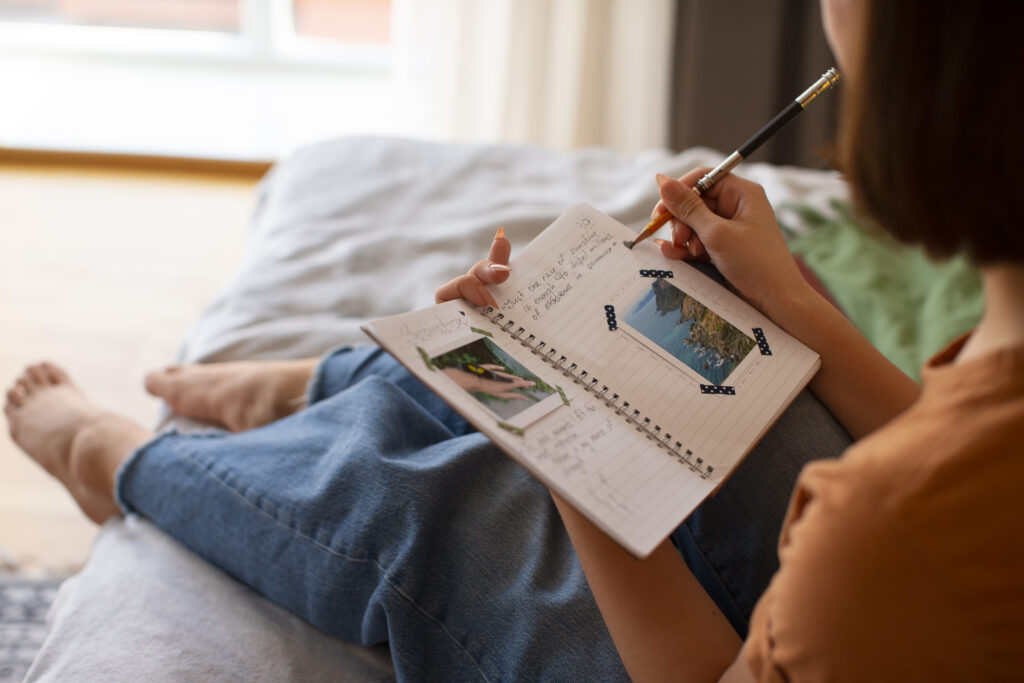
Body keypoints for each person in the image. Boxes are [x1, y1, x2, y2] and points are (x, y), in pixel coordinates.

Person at [5, 0, 1023, 679]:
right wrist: (792, 305)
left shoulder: (881, 536)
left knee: (455, 510)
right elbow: (944, 438)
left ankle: (130, 462)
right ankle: (334, 381)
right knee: (735, 376)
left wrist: (561, 445)